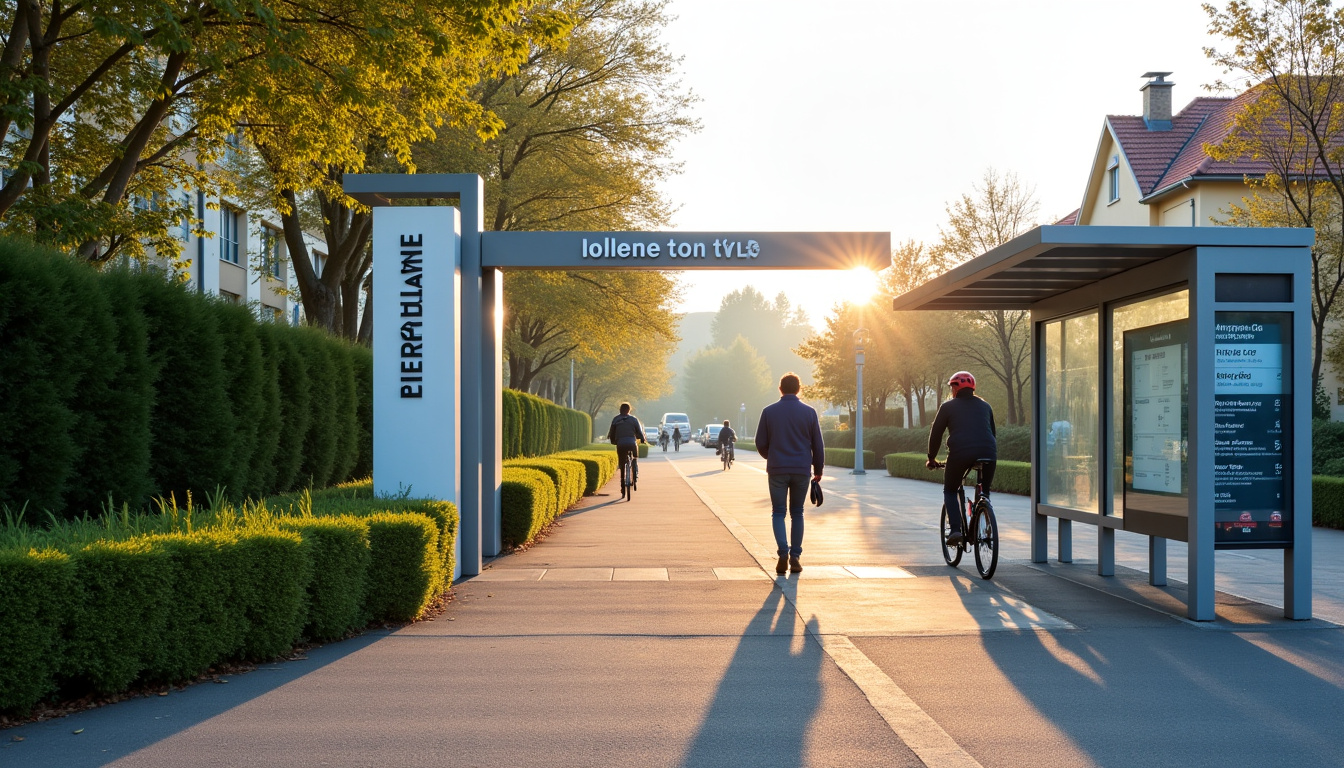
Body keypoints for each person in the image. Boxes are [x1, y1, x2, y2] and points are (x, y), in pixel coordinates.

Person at [755, 373, 825, 574]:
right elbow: (818, 445)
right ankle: (795, 557)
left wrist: (772, 456)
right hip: (801, 470)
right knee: (797, 513)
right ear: (799, 389)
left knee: (778, 512)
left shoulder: (769, 412)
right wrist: (818, 469)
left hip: (777, 469)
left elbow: (760, 442)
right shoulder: (810, 413)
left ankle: (782, 553)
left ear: (780, 389)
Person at [926, 371, 997, 546]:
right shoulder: (986, 406)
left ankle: (956, 530)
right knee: (984, 492)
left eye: (952, 387)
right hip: (989, 452)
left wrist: (931, 458)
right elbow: (993, 434)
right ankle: (983, 517)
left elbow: (935, 435)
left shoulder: (948, 407)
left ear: (956, 388)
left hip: (960, 453)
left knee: (950, 490)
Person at [607, 402, 647, 489]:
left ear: (620, 410)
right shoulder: (633, 419)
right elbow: (639, 432)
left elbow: (612, 433)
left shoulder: (616, 419)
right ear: (629, 410)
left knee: (622, 461)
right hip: (632, 443)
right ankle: (635, 470)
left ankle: (622, 478)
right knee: (634, 456)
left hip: (620, 443)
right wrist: (643, 439)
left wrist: (613, 441)